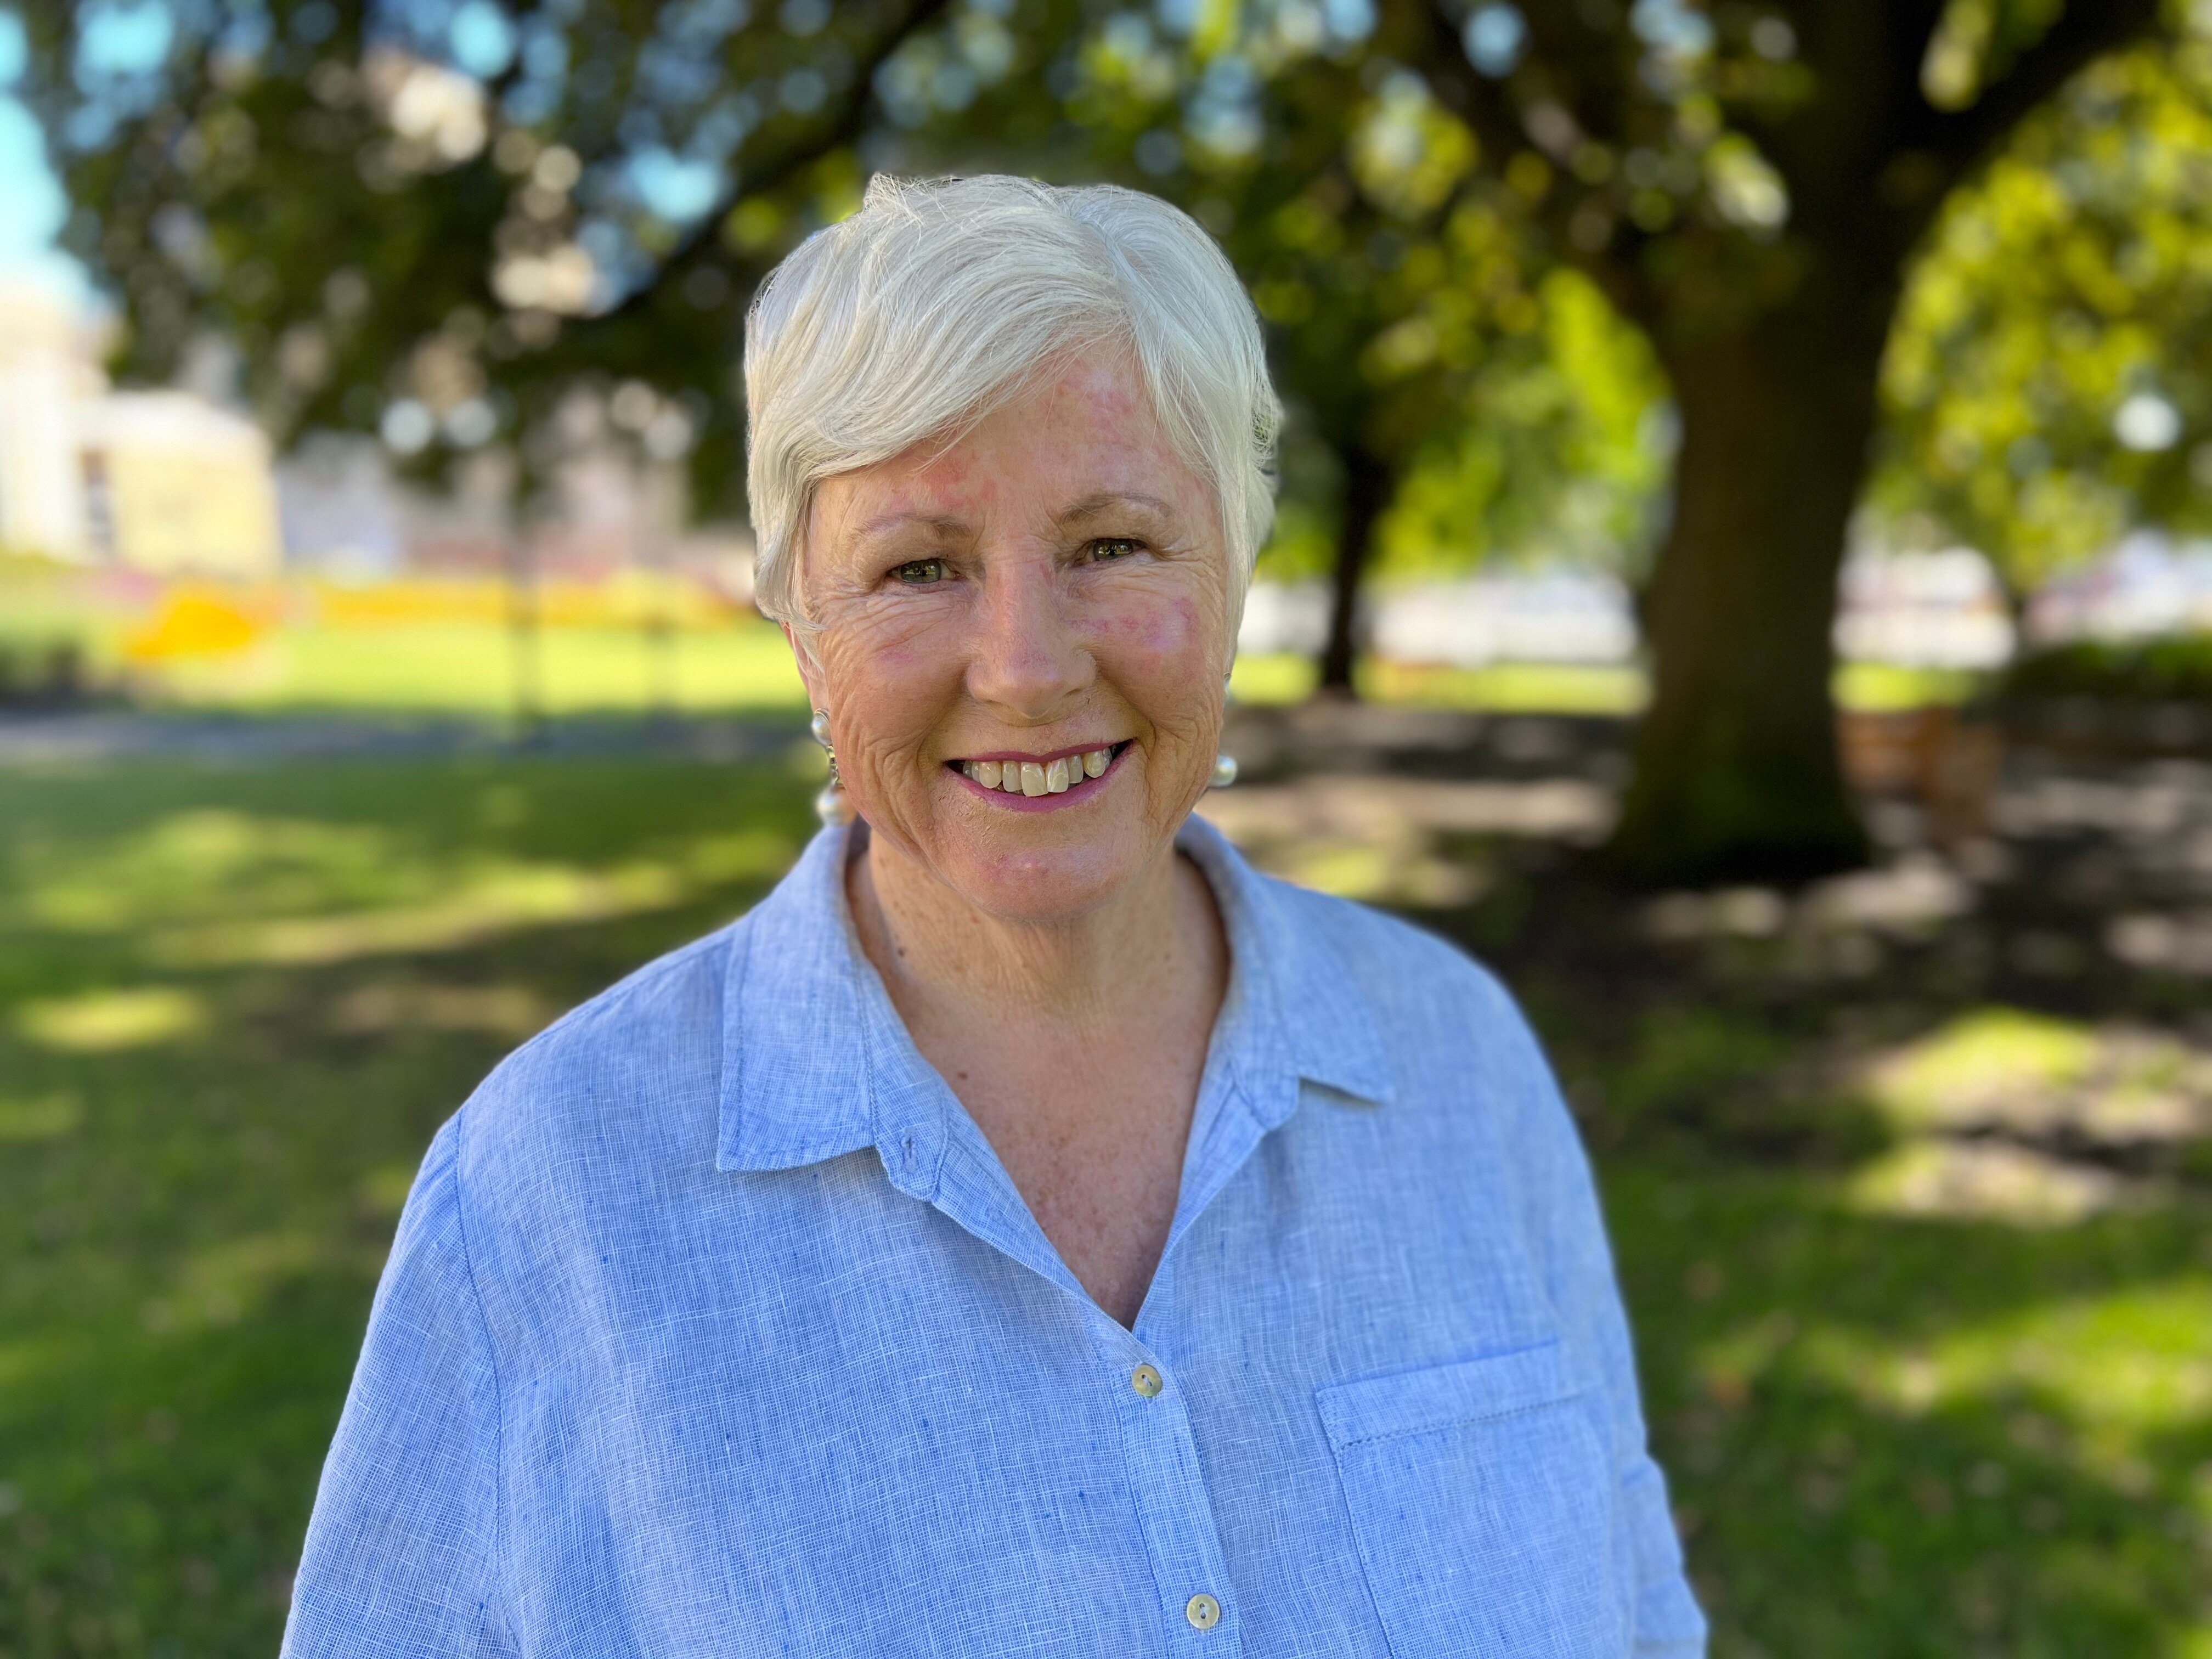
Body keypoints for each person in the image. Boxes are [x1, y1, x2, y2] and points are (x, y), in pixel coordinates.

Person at [283, 174, 1706, 1658]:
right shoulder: (548, 1196)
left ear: (1235, 569)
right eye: (918, 568)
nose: (1025, 667)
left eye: (1112, 547)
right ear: (800, 625)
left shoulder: (1457, 1062)